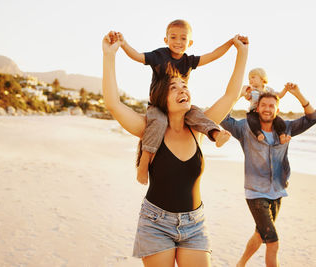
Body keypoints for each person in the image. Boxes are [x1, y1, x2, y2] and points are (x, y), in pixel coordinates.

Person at [103, 31, 248, 266]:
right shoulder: (148, 128)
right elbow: (113, 103)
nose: (183, 89)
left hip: (195, 224)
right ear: (162, 98)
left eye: (184, 85)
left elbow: (231, 95)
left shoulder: (200, 129)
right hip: (155, 223)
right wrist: (109, 55)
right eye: (174, 87)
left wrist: (242, 52)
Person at [115, 19, 236, 185]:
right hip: (158, 106)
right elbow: (137, 56)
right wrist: (123, 43)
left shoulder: (188, 61)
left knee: (197, 115)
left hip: (181, 105)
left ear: (190, 42)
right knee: (158, 122)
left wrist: (231, 43)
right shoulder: (159, 56)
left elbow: (212, 55)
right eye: (173, 37)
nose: (178, 42)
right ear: (166, 40)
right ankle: (144, 163)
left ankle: (216, 134)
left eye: (183, 38)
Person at [220, 84, 316, 267]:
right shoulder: (245, 129)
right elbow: (222, 118)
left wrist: (298, 93)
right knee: (273, 242)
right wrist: (239, 95)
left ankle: (240, 264)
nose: (267, 109)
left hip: (277, 191)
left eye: (271, 106)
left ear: (277, 109)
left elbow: (313, 118)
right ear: (257, 108)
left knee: (260, 234)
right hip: (256, 193)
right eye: (264, 105)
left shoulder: (286, 129)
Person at [242, 68, 289, 144]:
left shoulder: (269, 90)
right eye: (249, 79)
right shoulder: (252, 90)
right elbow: (247, 96)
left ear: (262, 78)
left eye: (253, 77)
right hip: (254, 112)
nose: (250, 80)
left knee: (279, 121)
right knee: (252, 121)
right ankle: (258, 133)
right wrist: (245, 92)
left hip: (267, 112)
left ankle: (282, 135)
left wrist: (286, 89)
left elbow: (279, 95)